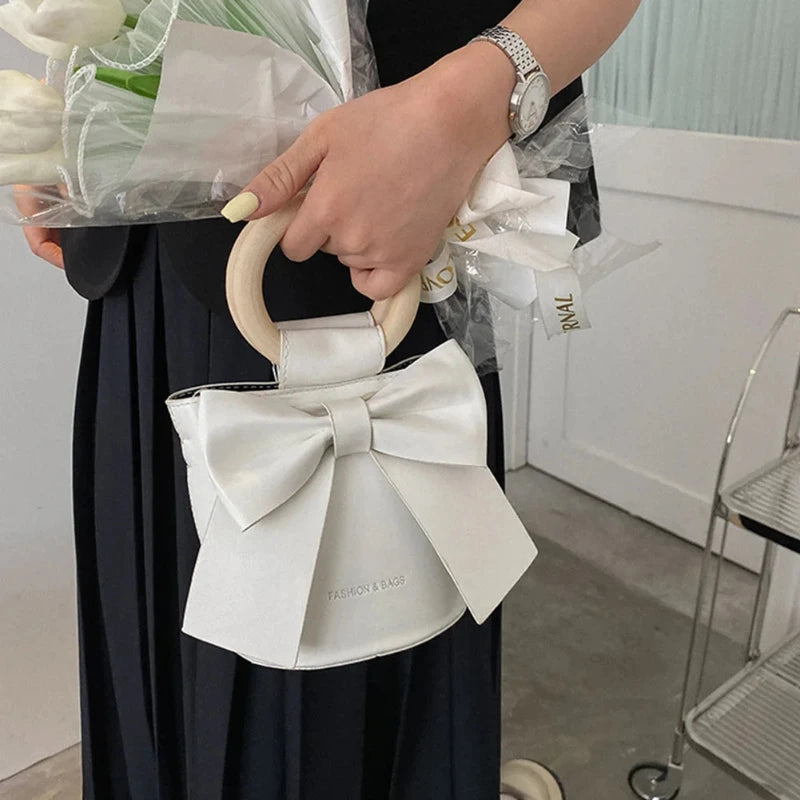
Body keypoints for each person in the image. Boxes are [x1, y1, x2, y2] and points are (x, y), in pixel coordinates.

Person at [22, 0, 639, 797]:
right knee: (151, 690)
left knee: (349, 710)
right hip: (140, 264)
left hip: (376, 236)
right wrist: (71, 105)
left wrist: (467, 103)